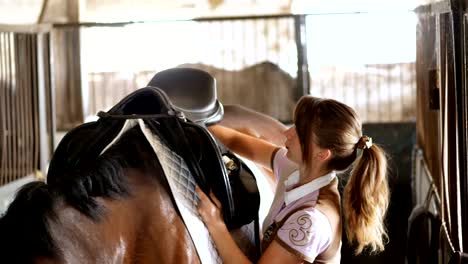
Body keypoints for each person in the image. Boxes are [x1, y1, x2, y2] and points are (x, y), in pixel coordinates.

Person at [196, 96, 390, 264]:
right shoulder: (295, 169)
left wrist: (215, 223)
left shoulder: (310, 221)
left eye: (300, 132)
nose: (287, 133)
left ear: (322, 154)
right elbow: (237, 141)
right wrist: (191, 126)